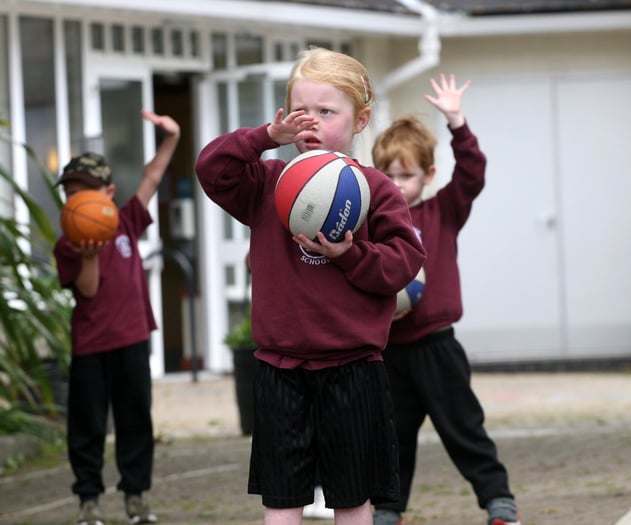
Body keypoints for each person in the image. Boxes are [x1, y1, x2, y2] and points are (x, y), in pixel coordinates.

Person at [195, 47, 425, 525]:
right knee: (281, 498)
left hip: (353, 366)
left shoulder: (376, 188)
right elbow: (210, 169)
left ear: (360, 121)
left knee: (353, 496)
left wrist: (351, 255)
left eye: (327, 112)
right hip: (280, 367)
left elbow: (403, 262)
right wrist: (264, 138)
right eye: (302, 112)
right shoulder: (265, 182)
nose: (312, 123)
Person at [371, 74, 521, 525]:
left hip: (438, 347)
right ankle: (388, 509)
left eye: (407, 175)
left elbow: (473, 172)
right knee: (391, 439)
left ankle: (498, 501)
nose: (397, 185)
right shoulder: (371, 222)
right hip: (390, 352)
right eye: (388, 175)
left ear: (428, 176)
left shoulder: (442, 211)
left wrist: (456, 122)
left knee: (464, 430)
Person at [54, 110, 180, 525]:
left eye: (87, 191)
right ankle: (88, 499)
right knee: (88, 425)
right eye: (72, 192)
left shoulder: (125, 223)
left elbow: (153, 177)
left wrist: (171, 138)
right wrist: (88, 257)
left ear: (108, 192)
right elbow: (87, 291)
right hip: (91, 347)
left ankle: (135, 496)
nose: (79, 198)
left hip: (132, 339)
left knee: (135, 420)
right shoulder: (68, 244)